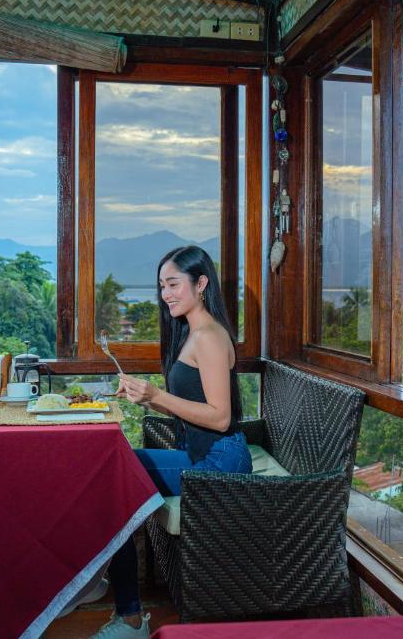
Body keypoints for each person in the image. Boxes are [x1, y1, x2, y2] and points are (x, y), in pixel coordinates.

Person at [90, 245, 253, 638]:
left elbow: (220, 417)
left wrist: (157, 395)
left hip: (221, 462)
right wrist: (146, 398)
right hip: (201, 454)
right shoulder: (191, 333)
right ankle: (117, 598)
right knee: (114, 469)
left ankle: (129, 617)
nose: (166, 294)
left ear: (201, 283)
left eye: (174, 284)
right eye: (162, 285)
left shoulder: (209, 336)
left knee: (115, 479)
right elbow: (191, 406)